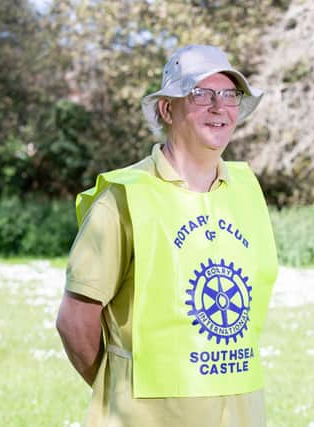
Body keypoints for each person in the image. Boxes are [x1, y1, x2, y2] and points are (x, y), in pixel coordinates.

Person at [56, 44, 278, 427]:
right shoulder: (124, 198)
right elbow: (75, 321)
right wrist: (119, 391)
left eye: (229, 94)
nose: (218, 106)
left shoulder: (246, 190)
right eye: (200, 94)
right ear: (166, 109)